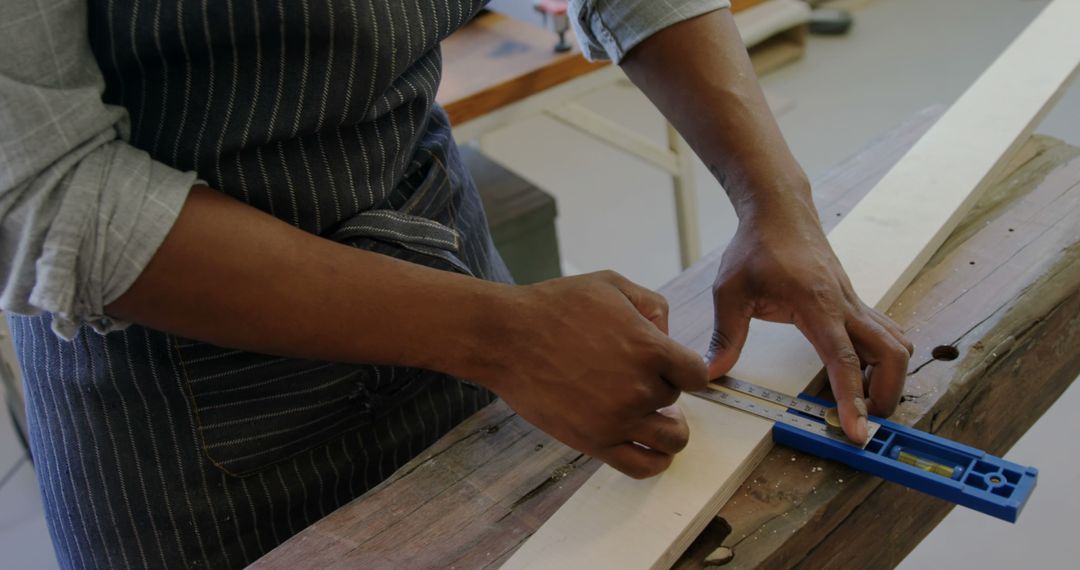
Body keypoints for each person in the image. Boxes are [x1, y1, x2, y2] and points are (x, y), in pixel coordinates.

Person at [0, 0, 912, 567]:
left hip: (441, 252)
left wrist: (774, 197)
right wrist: (499, 335)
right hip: (186, 417)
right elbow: (44, 189)